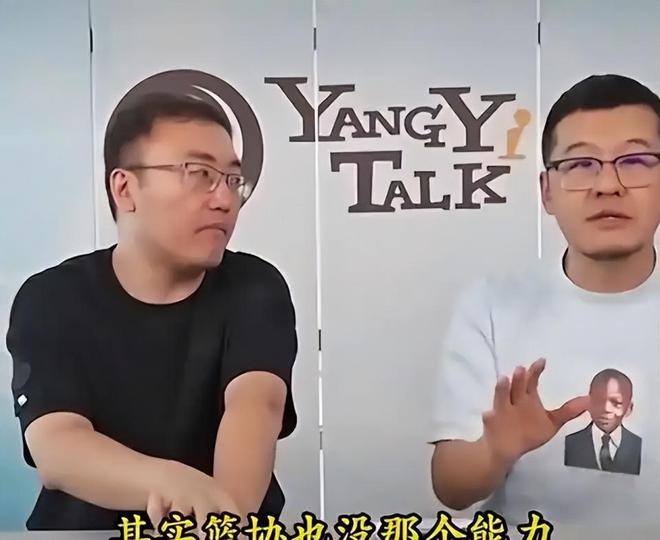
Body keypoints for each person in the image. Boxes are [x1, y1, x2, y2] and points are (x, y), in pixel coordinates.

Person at [6, 93, 298, 530]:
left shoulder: (254, 288)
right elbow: (58, 446)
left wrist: (223, 520)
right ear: (125, 188)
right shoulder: (51, 298)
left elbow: (256, 407)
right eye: (199, 174)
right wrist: (172, 482)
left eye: (232, 179)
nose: (224, 199)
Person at [429, 74, 660, 526]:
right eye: (580, 164)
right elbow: (450, 488)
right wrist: (495, 451)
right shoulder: (492, 305)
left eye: (635, 161)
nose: (607, 185)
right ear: (547, 191)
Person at [564, 369, 641, 475]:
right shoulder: (570, 444)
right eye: (598, 401)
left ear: (629, 408)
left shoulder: (639, 447)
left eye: (616, 403)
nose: (606, 409)